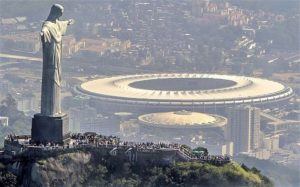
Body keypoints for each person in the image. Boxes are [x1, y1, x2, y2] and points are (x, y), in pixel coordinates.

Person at [40, 4, 74, 116]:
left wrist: (67, 22)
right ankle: (49, 110)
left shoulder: (56, 23)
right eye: (59, 13)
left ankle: (55, 109)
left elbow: (61, 24)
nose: (60, 16)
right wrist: (43, 33)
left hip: (57, 54)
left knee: (57, 78)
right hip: (51, 56)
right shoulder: (48, 25)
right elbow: (45, 29)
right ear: (55, 12)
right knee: (51, 78)